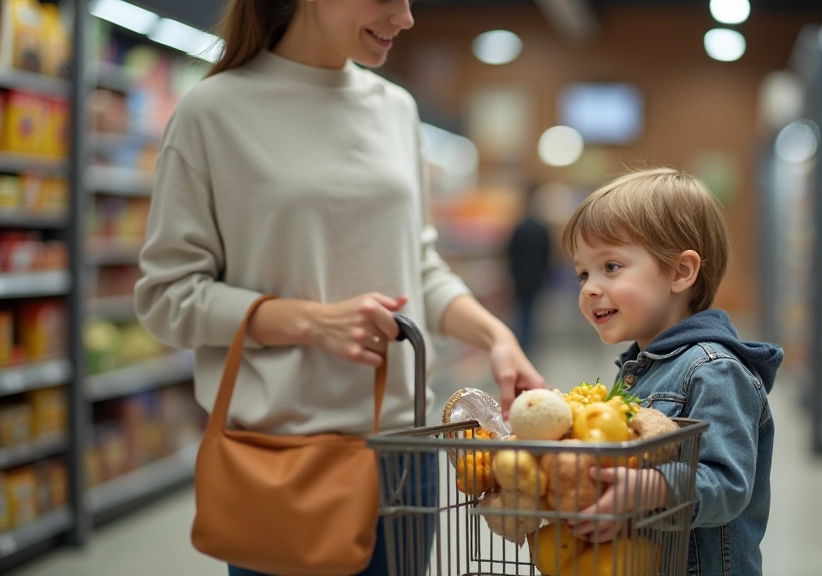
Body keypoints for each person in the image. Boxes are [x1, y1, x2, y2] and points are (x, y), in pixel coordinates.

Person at [133, 1, 545, 574]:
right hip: (284, 460)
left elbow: (418, 265)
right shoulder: (212, 112)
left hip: (407, 455)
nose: (405, 18)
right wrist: (308, 320)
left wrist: (494, 335)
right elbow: (166, 297)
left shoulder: (396, 109)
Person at [559, 168, 783, 575]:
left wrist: (649, 489)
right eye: (583, 273)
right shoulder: (638, 370)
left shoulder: (713, 370)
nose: (590, 288)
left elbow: (728, 485)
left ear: (681, 272)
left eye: (610, 266)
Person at [506, 185, 551, 356]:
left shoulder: (519, 227)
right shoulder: (542, 229)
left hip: (519, 278)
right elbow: (547, 255)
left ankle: (521, 345)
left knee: (521, 312)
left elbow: (510, 254)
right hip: (536, 278)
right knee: (531, 313)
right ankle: (529, 345)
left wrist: (511, 275)